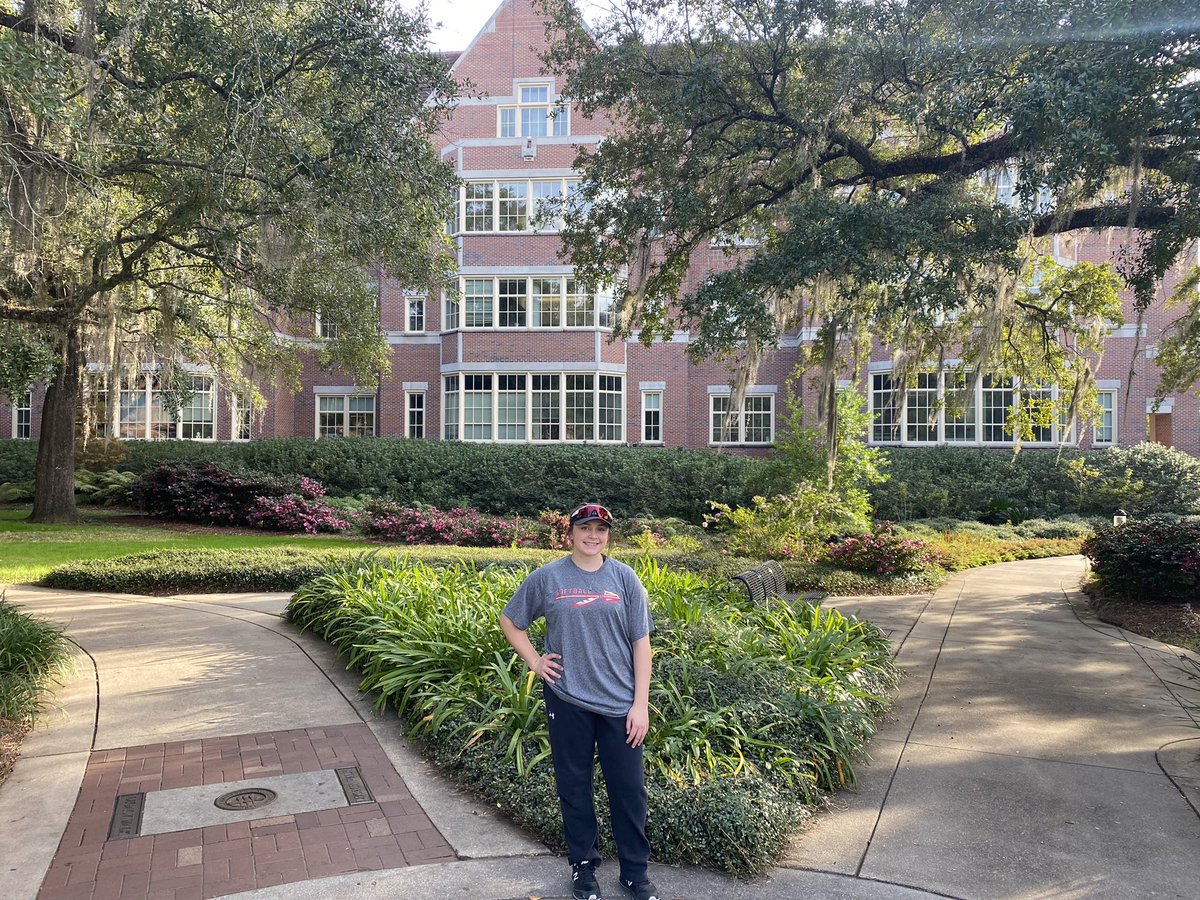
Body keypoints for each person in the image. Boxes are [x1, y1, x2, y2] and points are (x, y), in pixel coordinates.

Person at [500, 503, 660, 900]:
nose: (593, 536)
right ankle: (583, 869)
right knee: (574, 785)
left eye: (601, 530)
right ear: (569, 533)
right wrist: (535, 661)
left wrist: (640, 704)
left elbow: (643, 644)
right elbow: (511, 619)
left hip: (619, 703)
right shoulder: (549, 577)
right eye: (585, 528)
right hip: (567, 697)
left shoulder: (624, 578)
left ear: (608, 536)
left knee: (629, 789)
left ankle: (634, 873)